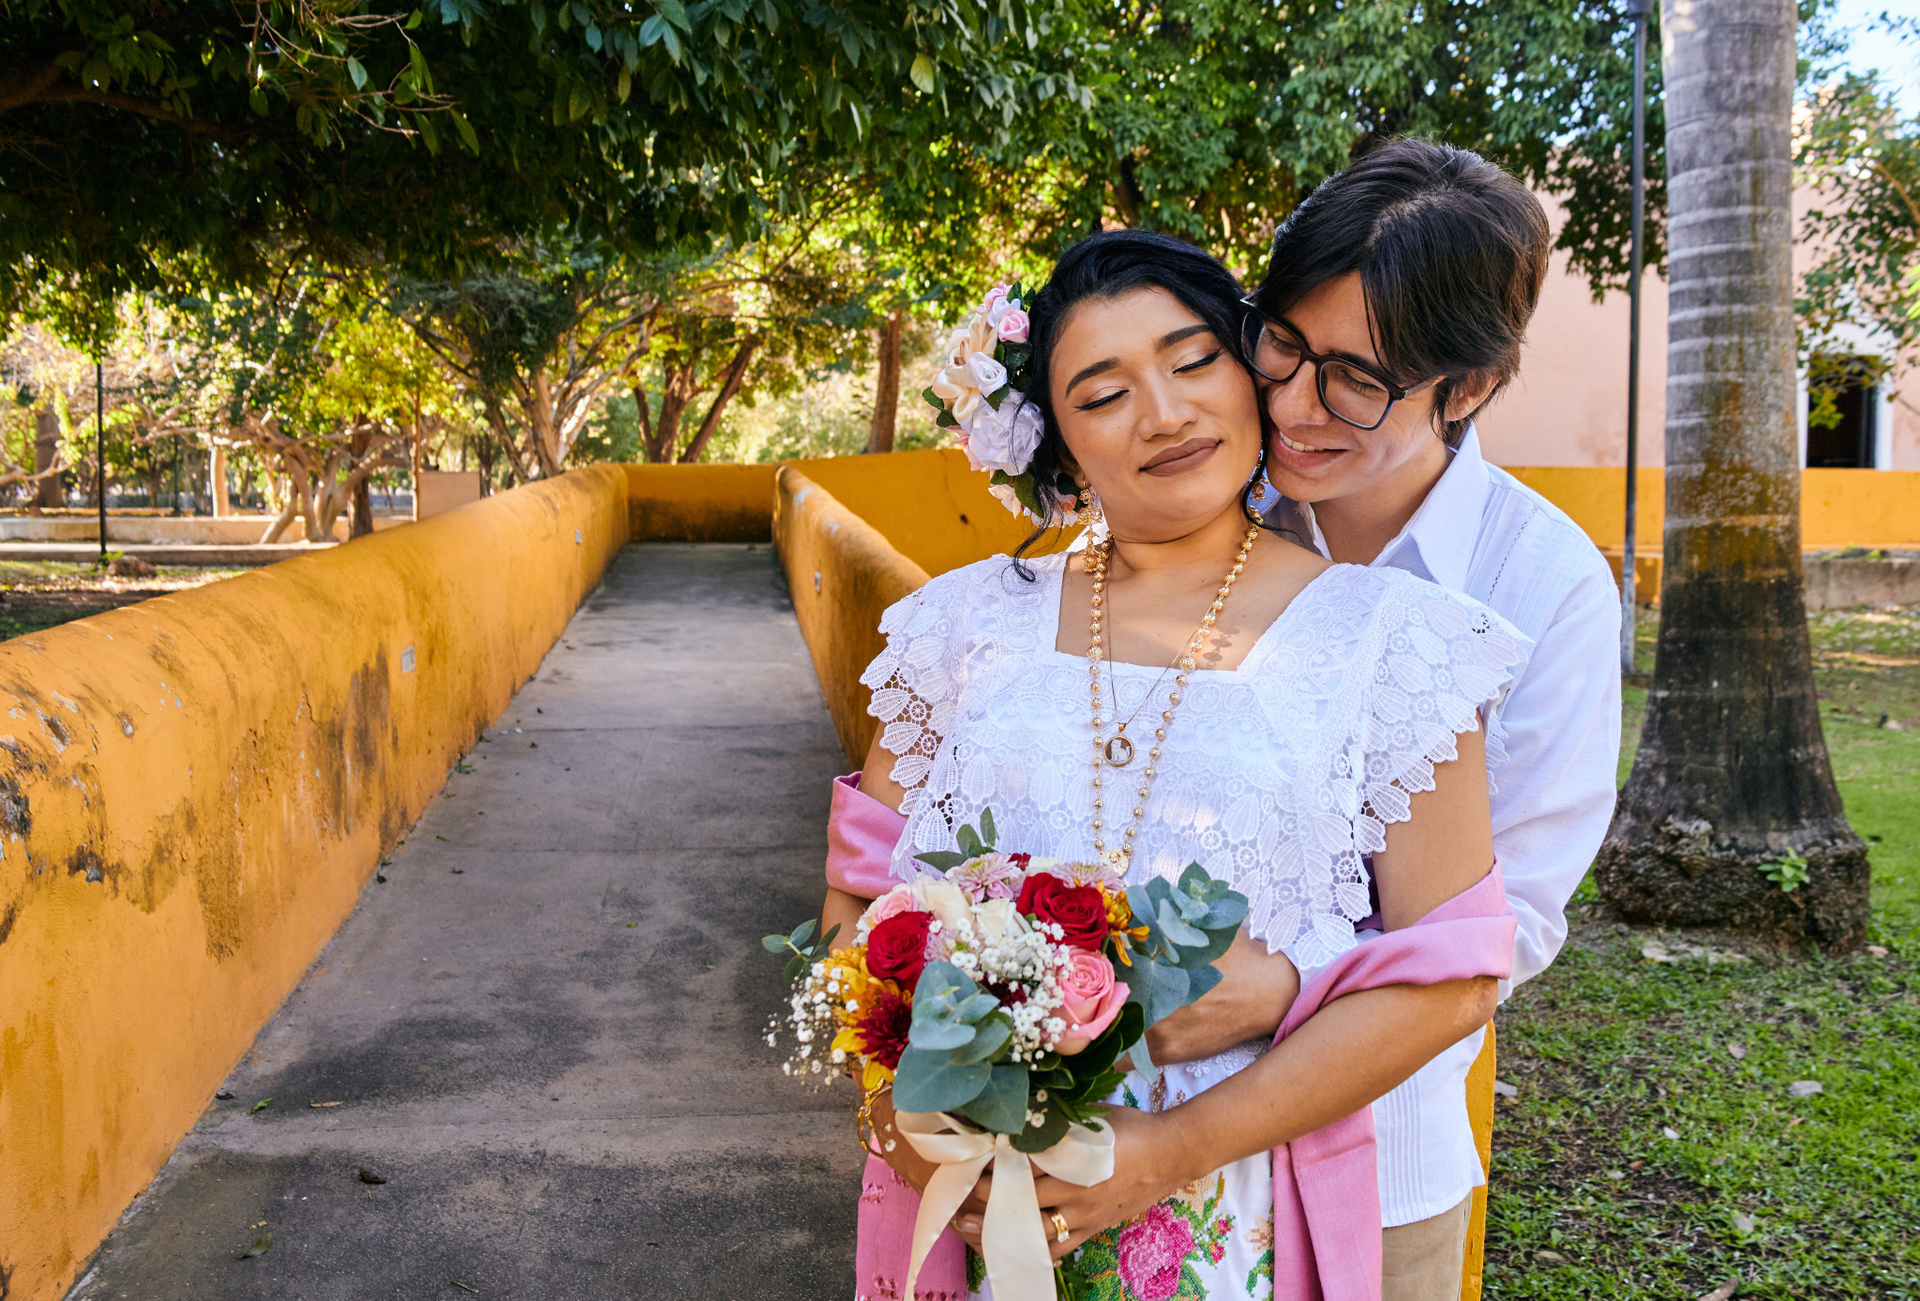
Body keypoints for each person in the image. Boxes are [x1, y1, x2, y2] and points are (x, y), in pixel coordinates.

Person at [821, 229, 1527, 1301]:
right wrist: (909, 1131)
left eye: (1194, 360)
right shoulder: (955, 630)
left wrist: (1169, 1149)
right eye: (1103, 395)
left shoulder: (1395, 644)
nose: (1164, 412)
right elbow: (857, 912)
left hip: (1241, 1220)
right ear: (1057, 445)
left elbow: (1451, 973)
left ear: (1252, 374)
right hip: (977, 1206)